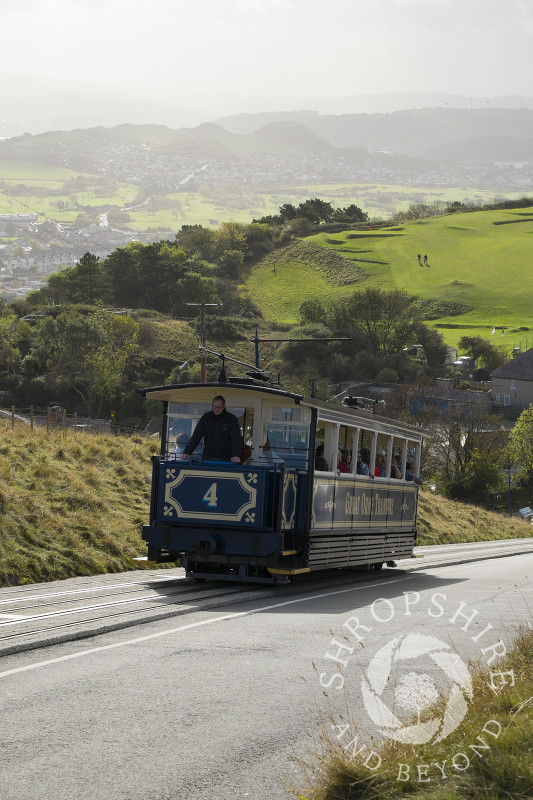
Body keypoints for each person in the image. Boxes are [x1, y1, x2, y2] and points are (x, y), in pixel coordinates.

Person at [181, 395, 241, 463]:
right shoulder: (206, 418)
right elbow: (196, 436)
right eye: (214, 406)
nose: (216, 409)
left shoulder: (231, 419)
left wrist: (236, 455)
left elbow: (235, 438)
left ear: (224, 406)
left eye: (219, 407)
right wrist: (187, 452)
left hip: (226, 458)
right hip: (208, 456)